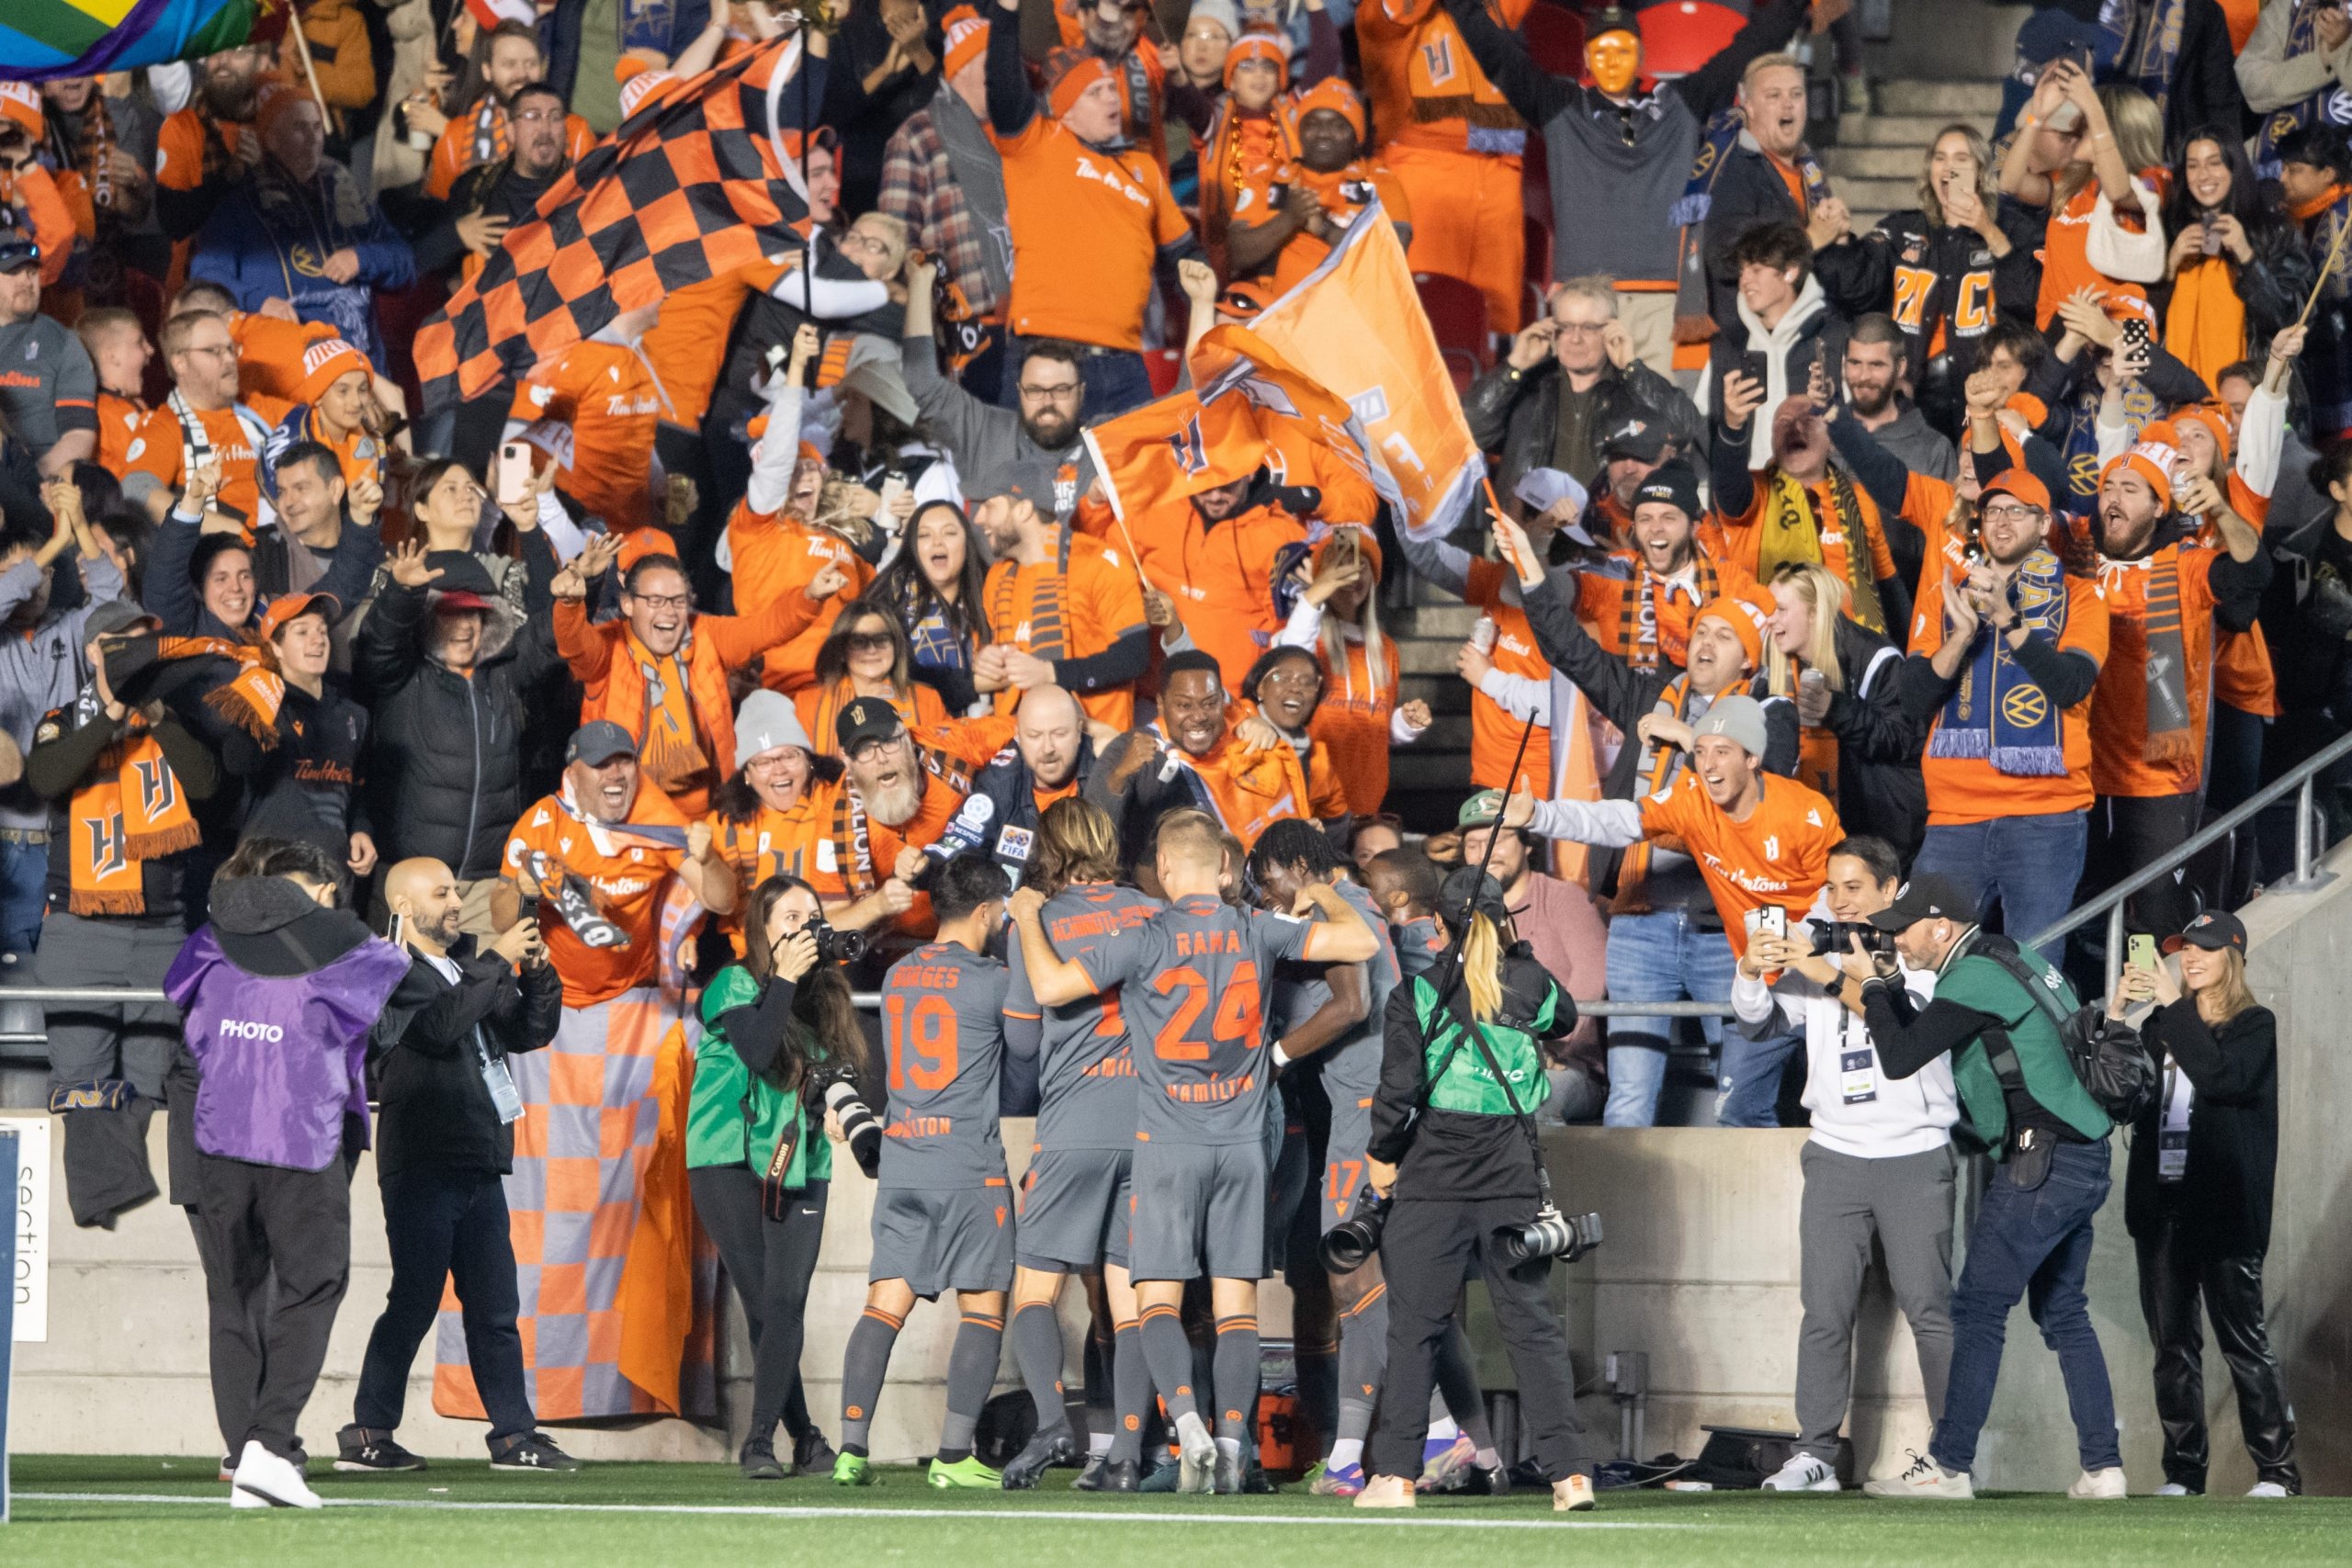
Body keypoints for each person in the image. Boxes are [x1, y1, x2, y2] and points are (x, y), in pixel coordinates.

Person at [1008, 807, 1377, 1493]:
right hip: (1242, 1144)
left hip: (1168, 1141)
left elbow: (1053, 987)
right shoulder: (1256, 927)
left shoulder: (1146, 934)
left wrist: (1029, 918)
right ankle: (1235, 1444)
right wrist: (1322, 887)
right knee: (1238, 1306)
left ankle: (1188, 1423)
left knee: (1156, 1301)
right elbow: (1358, 942)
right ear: (1228, 869)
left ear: (1169, 871)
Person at [1500, 504, 1799, 1127]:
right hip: (1639, 924)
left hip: (1726, 930)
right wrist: (1531, 570)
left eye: (1723, 636)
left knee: (1739, 1099)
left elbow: (1761, 789)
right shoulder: (1647, 693)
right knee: (1629, 1100)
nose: (1704, 642)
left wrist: (1689, 739)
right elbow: (1572, 651)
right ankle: (1624, 1228)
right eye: (1699, 632)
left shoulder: (1770, 712)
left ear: (1748, 659)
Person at [1856, 874, 2128, 1502]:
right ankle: (2103, 1467)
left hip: (2045, 1157)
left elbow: (1900, 1057)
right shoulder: (2009, 955)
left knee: (1978, 1306)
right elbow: (1934, 1032)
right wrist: (1893, 986)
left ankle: (1950, 1466)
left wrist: (1871, 986)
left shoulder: (1971, 976)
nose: (1898, 936)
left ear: (1942, 926)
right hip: (2082, 1151)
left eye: (1906, 926)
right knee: (2062, 1311)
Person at [163, 838, 411, 1511]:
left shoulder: (210, 941)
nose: (328, 898)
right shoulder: (335, 942)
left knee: (234, 1296)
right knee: (313, 1281)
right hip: (300, 1135)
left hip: (216, 1137)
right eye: (318, 885)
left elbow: (180, 1006)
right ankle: (270, 1445)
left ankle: (249, 1452)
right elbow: (403, 983)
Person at [1354, 865, 1595, 1514]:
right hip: (1512, 1172)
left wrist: (1381, 1157)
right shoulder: (1530, 984)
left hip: (1433, 1176)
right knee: (1532, 1329)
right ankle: (1571, 1474)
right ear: (1502, 921)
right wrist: (1519, 954)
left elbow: (1398, 1090)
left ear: (1438, 925)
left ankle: (1397, 1476)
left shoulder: (1417, 993)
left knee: (1417, 1330)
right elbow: (1564, 1018)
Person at [1736, 835, 1958, 1493]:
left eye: (1853, 886)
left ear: (1891, 890)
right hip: (1834, 1151)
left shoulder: (1923, 956)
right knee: (1824, 1311)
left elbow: (1904, 1018)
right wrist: (1751, 971)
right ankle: (1815, 1452)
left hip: (1914, 1151)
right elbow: (1758, 1026)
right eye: (1832, 888)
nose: (1838, 900)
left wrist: (1827, 968)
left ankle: (1954, 1450)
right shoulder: (1818, 955)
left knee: (1931, 1309)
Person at [1510, 694, 1842, 1128]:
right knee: (1738, 1106)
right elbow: (1617, 820)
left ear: (1753, 758)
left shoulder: (1805, 812)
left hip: (1823, 968)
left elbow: (1840, 896)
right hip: (1764, 982)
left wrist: (1804, 944)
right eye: (1700, 751)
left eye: (1722, 752)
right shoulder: (1692, 798)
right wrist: (1540, 814)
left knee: (1836, 1102)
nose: (1708, 764)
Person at [344, 857, 576, 1475]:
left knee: (496, 1306)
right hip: (421, 1159)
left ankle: (513, 1434)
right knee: (414, 1301)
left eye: (454, 888)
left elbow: (528, 1031)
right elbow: (441, 1027)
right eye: (440, 891)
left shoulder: (468, 967)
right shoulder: (388, 970)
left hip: (478, 1157)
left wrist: (539, 973)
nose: (455, 899)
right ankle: (368, 1429)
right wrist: (499, 957)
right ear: (401, 907)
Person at [1442, 0, 1806, 373]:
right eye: (1600, 51)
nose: (1612, 61)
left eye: (1623, 49)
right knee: (1584, 420)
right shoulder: (1560, 105)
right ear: (1585, 57)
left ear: (1642, 55)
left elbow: (1752, 45)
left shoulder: (1681, 103)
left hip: (1663, 303)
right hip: (1585, 303)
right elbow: (1497, 55)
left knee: (1658, 422)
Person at [26, 601, 223, 1228]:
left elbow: (207, 784)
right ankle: (102, 1205)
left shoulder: (173, 718)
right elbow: (49, 776)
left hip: (161, 929)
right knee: (81, 1081)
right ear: (93, 652)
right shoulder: (63, 719)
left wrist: (158, 711)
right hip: (80, 928)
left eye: (146, 645)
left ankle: (129, 1219)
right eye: (123, 646)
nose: (139, 656)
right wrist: (111, 711)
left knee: (153, 1081)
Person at [833, 852, 1017, 1489]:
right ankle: (953, 1455)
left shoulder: (901, 975)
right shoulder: (995, 980)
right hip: (968, 1164)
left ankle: (851, 1448)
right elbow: (1024, 1054)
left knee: (885, 1301)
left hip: (905, 1158)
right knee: (985, 1306)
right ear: (990, 910)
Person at [997, 797, 1160, 1490]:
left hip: (1072, 1129)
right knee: (1131, 1301)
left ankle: (1050, 1421)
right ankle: (1124, 1452)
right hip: (1154, 1125)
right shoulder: (1155, 912)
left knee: (1033, 1291)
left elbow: (1023, 1042)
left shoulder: (1040, 921)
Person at [2111, 909, 2301, 1497]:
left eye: (2205, 949)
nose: (2189, 958)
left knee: (2244, 1344)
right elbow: (2120, 1100)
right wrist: (2118, 1015)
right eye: (2183, 949)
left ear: (2233, 958)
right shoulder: (2161, 1024)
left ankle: (2277, 1472)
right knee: (2172, 1348)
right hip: (2162, 1203)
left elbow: (2222, 1080)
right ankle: (2184, 1474)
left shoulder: (2253, 1025)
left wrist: (2171, 1010)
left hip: (2223, 1211)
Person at [692, 872, 873, 1481]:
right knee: (767, 1304)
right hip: (728, 1160)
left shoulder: (827, 998)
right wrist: (786, 977)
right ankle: (773, 1439)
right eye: (790, 916)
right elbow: (761, 1051)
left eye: (812, 914)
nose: (805, 924)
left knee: (786, 1300)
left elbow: (838, 1082)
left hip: (802, 1163)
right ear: (762, 931)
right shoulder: (732, 982)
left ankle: (791, 1438)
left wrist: (853, 1118)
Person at [1894, 469, 2109, 958]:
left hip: (2045, 815)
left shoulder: (2081, 595)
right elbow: (1912, 700)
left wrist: (2007, 620)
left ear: (2043, 524)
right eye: (1993, 511)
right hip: (1953, 814)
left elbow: (2070, 683)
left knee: (2031, 971)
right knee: (1923, 965)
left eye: (2018, 510)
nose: (2003, 521)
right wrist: (1962, 635)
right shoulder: (1945, 596)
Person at [2077, 427, 2269, 942]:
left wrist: (2226, 514)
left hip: (2157, 775)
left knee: (2154, 917)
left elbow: (2253, 575)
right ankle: (2091, 1009)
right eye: (2107, 487)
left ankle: (2150, 1012)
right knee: (2082, 904)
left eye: (2130, 489)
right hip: (2079, 765)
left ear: (2160, 507)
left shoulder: (2186, 565)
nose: (2112, 498)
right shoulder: (2077, 552)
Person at [985, 0, 1199, 422]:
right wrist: (1005, 13)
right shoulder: (1036, 145)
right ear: (1065, 109)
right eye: (1095, 92)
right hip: (1046, 352)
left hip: (1124, 362)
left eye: (1110, 89)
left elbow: (1185, 256)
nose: (1112, 99)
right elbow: (1003, 85)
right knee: (1035, 483)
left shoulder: (1144, 168)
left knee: (1132, 485)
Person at [354, 519, 562, 931]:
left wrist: (579, 586)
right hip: (413, 879)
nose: (466, 626)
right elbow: (379, 641)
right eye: (452, 613)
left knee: (487, 993)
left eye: (475, 614)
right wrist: (403, 593)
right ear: (428, 618)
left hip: (487, 885)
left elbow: (552, 628)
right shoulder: (400, 674)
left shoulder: (506, 672)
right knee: (407, 993)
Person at [553, 539, 841, 818]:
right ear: (628, 604)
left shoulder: (707, 634)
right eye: (654, 600)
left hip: (703, 814)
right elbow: (573, 643)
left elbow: (765, 627)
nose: (669, 611)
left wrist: (810, 597)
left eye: (677, 601)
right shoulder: (607, 646)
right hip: (628, 816)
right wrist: (568, 604)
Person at [501, 719, 739, 1010]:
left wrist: (709, 860)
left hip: (631, 994)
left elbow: (723, 903)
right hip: (549, 993)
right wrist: (518, 890)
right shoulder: (542, 824)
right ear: (572, 774)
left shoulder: (657, 818)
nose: (615, 774)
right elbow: (501, 921)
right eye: (601, 765)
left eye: (625, 761)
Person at [187, 86, 415, 368]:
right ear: (270, 138)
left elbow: (404, 261)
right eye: (299, 128)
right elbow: (205, 281)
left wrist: (361, 257)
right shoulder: (238, 205)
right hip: (289, 366)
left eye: (317, 127)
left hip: (361, 365)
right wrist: (259, 302)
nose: (312, 139)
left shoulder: (348, 193)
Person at [0, 478, 129, 953]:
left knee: (63, 961)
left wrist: (76, 525)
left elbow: (111, 602)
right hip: (5, 839)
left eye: (45, 572)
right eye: (18, 574)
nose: (34, 584)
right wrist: (54, 542)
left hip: (66, 836)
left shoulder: (68, 631)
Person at [1355, 0, 1532, 336]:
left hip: (1498, 170)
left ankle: (1499, 385)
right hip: (1420, 166)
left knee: (1499, 316)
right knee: (1421, 307)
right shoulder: (1376, 12)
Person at [1859, 126, 2038, 444]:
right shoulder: (1903, 228)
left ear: (1981, 172)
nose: (1948, 167)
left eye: (1961, 158)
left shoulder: (2013, 227)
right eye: (1939, 158)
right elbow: (1857, 285)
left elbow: (2027, 300)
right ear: (1929, 170)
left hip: (1988, 388)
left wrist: (1988, 231)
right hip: (1916, 390)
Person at [1465, 276, 1707, 504]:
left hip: (1603, 533)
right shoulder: (1526, 387)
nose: (1575, 339)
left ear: (1611, 331)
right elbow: (1468, 433)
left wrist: (1633, 369)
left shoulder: (1633, 388)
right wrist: (1512, 368)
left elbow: (1685, 428)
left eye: (1589, 328)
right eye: (1565, 327)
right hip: (1526, 535)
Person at [1713, 363, 1906, 643]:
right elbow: (1728, 480)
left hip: (1847, 650)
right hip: (1769, 650)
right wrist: (1733, 427)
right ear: (1772, 440)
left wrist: (1909, 657)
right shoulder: (1753, 492)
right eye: (1783, 422)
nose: (1795, 427)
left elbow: (1889, 587)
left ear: (1831, 441)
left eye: (1809, 419)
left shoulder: (1861, 499)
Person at [879, 7, 1010, 398]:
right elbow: (897, 244)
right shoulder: (917, 136)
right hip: (973, 330)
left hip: (1037, 321)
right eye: (995, 61)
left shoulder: (1021, 128)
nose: (1007, 71)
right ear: (965, 67)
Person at [1454, 790, 1608, 1121]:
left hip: (1563, 1063)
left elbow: (1591, 978)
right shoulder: (1460, 912)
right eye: (1473, 845)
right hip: (1483, 1064)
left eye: (1498, 839)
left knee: (1529, 1105)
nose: (1485, 853)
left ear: (1527, 844)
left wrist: (1540, 1043)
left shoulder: (1562, 898)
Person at [901, 257, 1099, 512]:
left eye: (1060, 390)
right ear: (1019, 391)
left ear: (1081, 392)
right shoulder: (983, 430)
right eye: (1035, 390)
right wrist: (919, 283)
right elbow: (921, 380)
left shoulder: (1101, 446)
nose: (1047, 403)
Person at [1698, 53, 1874, 334]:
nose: (1788, 103)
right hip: (1752, 347)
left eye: (1796, 94)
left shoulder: (1811, 172)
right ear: (1749, 107)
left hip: (1808, 339)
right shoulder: (1732, 168)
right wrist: (1809, 239)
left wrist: (1840, 239)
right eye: (1773, 95)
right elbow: (1723, 254)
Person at [1764, 560, 1927, 860]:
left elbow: (1903, 739)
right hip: (1812, 831)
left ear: (1814, 613)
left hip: (1883, 831)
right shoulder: (1775, 663)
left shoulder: (1874, 655)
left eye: (1781, 610)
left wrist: (1836, 708)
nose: (1770, 620)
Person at [1091, 650, 1312, 859]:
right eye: (1184, 705)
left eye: (1210, 703)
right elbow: (1092, 836)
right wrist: (1120, 775)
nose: (1199, 716)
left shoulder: (1245, 729)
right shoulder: (1129, 749)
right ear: (1161, 704)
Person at [1272, 527, 1430, 818]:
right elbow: (1288, 662)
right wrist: (1319, 589)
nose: (1352, 577)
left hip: (1367, 805)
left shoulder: (1386, 649)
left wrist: (1406, 723)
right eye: (1340, 566)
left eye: (1361, 567)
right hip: (1311, 802)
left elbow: (1377, 724)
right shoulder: (1302, 637)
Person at [976, 494, 1149, 733]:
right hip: (1021, 742)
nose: (978, 517)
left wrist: (1051, 673)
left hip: (1099, 747)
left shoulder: (1098, 562)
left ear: (1024, 509)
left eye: (989, 506)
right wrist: (989, 661)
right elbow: (1013, 661)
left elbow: (1134, 657)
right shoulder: (997, 577)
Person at [2158, 129, 2312, 392]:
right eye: (2193, 166)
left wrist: (2248, 257)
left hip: (2252, 397)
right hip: (2182, 407)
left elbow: (2291, 320)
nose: (2203, 175)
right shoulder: (2167, 229)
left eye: (2214, 163)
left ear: (2235, 168)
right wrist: (2169, 269)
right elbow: (2137, 322)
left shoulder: (2275, 231)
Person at [411, 82, 579, 287]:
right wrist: (457, 235)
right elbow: (417, 262)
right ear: (511, 131)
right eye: (532, 116)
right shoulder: (477, 186)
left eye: (555, 118)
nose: (545, 129)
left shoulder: (586, 191)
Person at [875, 501, 993, 716]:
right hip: (912, 727)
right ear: (912, 546)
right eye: (924, 535)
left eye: (949, 533)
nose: (937, 543)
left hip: (986, 730)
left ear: (967, 541)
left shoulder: (994, 588)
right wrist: (970, 685)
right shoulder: (887, 597)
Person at [0, 239, 96, 476]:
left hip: (35, 478)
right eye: (13, 272)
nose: (27, 281)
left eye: (32, 272)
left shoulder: (61, 342)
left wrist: (32, 482)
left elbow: (79, 435)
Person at [1840, 314, 1957, 488]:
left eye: (1876, 365)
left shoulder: (1933, 450)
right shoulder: (1821, 437)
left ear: (1900, 367)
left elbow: (1949, 514)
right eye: (1855, 363)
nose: (1864, 376)